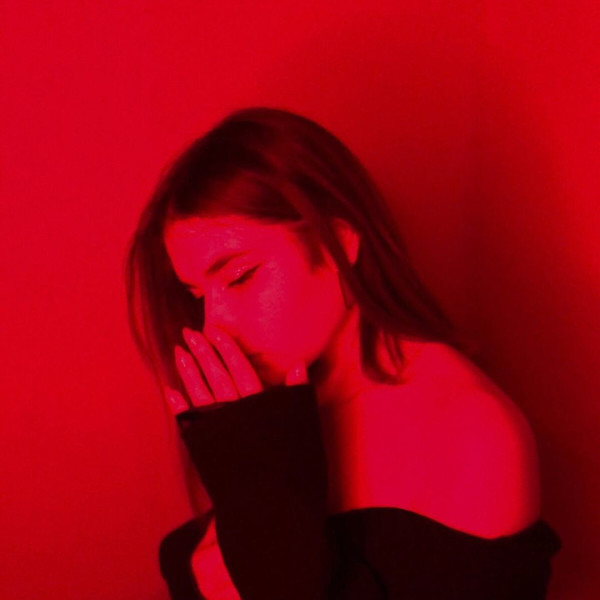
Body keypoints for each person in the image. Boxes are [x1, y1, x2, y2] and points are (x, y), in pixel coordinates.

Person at [124, 107, 562, 600]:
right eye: (198, 295)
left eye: (240, 277)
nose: (214, 325)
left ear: (339, 243)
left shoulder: (474, 433)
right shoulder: (266, 410)